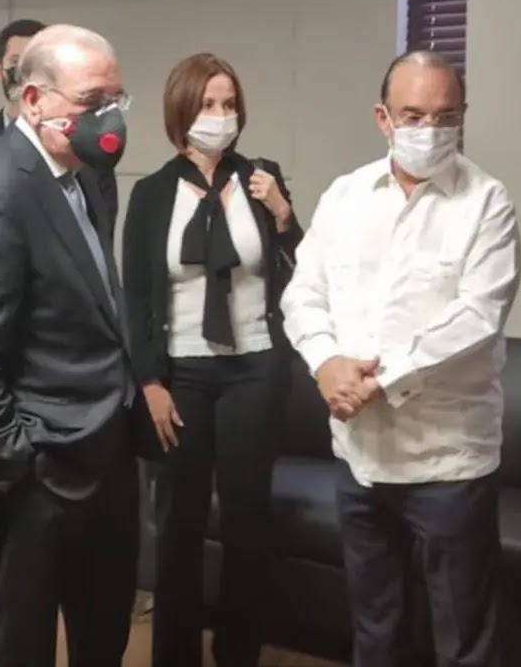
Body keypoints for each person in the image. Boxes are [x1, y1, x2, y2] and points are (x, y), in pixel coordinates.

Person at [281, 50, 521, 667]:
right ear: (383, 118)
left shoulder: (487, 201)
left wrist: (377, 380)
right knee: (375, 625)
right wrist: (326, 363)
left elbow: (477, 316)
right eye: (413, 115)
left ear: (463, 115)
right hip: (359, 456)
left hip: (448, 461)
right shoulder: (345, 195)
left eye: (445, 116)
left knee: (465, 635)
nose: (429, 130)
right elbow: (304, 294)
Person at [0, 24, 154, 667]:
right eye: (91, 102)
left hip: (107, 447)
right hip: (42, 469)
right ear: (33, 100)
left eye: (116, 98)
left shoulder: (82, 176)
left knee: (102, 627)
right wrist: (19, 461)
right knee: (21, 641)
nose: (109, 117)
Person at [122, 52, 303, 667]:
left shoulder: (262, 179)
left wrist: (284, 216)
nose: (220, 115)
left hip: (255, 365)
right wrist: (150, 381)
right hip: (182, 372)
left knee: (248, 523)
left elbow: (302, 275)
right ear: (181, 111)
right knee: (179, 524)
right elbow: (136, 296)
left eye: (229, 104)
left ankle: (238, 654)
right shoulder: (152, 194)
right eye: (207, 104)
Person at [0, 17, 119, 232]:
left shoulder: (86, 143)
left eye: (34, 63)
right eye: (16, 62)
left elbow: (103, 228)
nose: (24, 73)